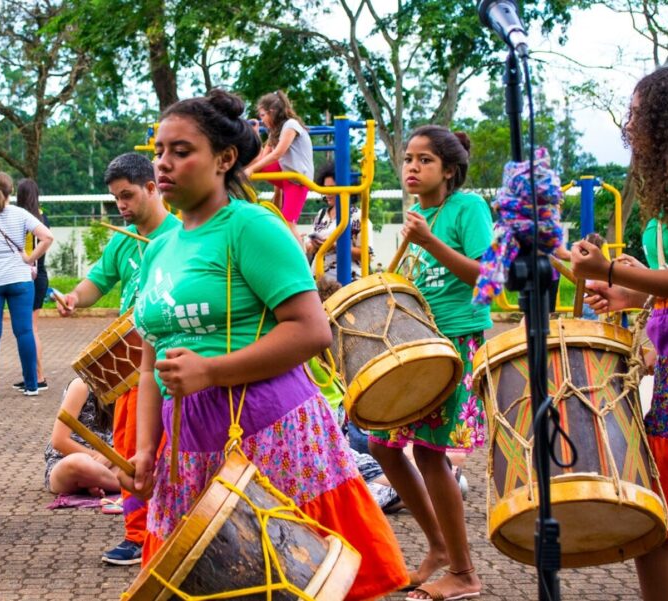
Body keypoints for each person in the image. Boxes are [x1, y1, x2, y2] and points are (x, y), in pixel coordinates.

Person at [122, 89, 407, 601]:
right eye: (160, 150)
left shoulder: (252, 227)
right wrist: (145, 448)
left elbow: (311, 329)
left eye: (182, 151)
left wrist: (211, 372)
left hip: (267, 432)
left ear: (225, 159)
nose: (163, 163)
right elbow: (149, 363)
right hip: (186, 445)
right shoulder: (160, 246)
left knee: (294, 580)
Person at [570, 65, 668, 601]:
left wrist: (619, 271)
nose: (629, 124)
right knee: (653, 515)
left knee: (660, 510)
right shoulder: (661, 208)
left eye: (639, 114)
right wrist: (627, 296)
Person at [365, 125, 490, 600]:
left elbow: (489, 277)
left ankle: (465, 572)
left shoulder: (467, 208)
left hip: (455, 343)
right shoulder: (417, 214)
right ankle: (438, 549)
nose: (412, 168)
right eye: (408, 159)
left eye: (425, 160)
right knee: (382, 445)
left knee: (431, 454)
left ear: (449, 170)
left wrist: (431, 243)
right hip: (419, 343)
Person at [57, 151, 181, 566]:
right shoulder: (122, 239)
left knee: (174, 450)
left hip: (170, 358)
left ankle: (170, 531)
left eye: (127, 196)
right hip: (129, 364)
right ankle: (137, 535)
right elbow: (97, 282)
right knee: (129, 449)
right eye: (116, 200)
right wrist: (75, 297)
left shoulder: (181, 236)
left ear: (152, 188)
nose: (122, 206)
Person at [0, 172, 54, 399]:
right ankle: (32, 385)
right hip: (20, 280)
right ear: (11, 191)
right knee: (24, 331)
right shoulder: (21, 214)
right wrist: (29, 258)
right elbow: (47, 237)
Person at [243, 90, 314, 223]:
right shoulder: (274, 131)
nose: (262, 119)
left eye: (263, 115)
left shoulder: (291, 125)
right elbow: (261, 159)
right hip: (285, 174)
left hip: (297, 180)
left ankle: (298, 245)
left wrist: (251, 170)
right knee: (257, 165)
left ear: (272, 111)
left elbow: (277, 154)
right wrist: (255, 135)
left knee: (288, 223)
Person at [44, 378, 119, 496]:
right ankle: (129, 486)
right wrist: (105, 457)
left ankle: (99, 481)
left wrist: (112, 457)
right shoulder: (82, 385)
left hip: (113, 462)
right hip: (71, 462)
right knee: (78, 463)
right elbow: (59, 441)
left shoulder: (127, 387)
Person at [306, 161, 370, 282]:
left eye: (332, 188)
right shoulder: (321, 215)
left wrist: (335, 246)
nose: (327, 193)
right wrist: (313, 245)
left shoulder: (357, 216)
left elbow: (367, 254)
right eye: (325, 188)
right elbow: (309, 248)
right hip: (319, 278)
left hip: (348, 281)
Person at [15, 178, 50, 391]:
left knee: (30, 328)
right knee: (29, 328)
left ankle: (38, 376)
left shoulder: (22, 219)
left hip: (30, 277)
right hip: (41, 275)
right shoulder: (42, 217)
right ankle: (32, 374)